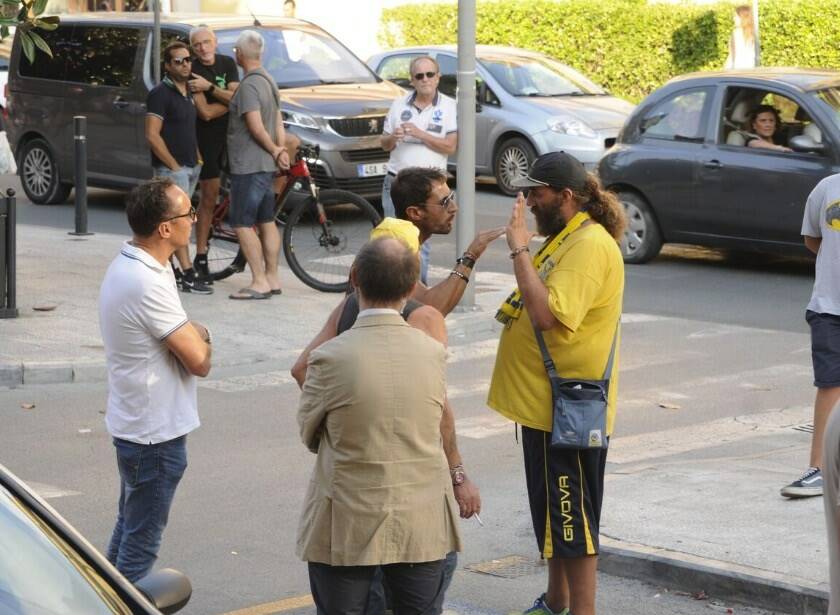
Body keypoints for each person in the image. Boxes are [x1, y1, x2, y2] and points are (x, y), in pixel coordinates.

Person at [487, 152, 626, 615]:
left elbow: (548, 315)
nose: (527, 201)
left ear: (566, 196)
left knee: (573, 520)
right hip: (545, 407)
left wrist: (519, 249)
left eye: (536, 193)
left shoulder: (588, 246)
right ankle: (556, 601)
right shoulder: (566, 237)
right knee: (552, 517)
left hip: (565, 410)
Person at [297, 237, 462, 614]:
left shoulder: (328, 358)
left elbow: (310, 433)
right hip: (420, 516)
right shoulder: (432, 354)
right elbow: (439, 420)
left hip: (347, 517)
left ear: (354, 278)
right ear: (410, 288)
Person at [98, 178, 213, 582]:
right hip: (153, 437)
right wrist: (203, 334)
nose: (194, 220)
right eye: (188, 214)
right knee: (140, 544)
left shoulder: (138, 264)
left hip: (140, 427)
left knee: (128, 530)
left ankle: (102, 601)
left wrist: (188, 332)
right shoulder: (145, 281)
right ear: (166, 228)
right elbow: (198, 360)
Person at [782, 174, 840, 498]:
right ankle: (818, 468)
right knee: (830, 385)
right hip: (829, 306)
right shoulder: (826, 189)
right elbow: (812, 240)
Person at [381, 56, 457, 284]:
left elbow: (450, 146)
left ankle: (417, 293)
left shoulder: (449, 106)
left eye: (430, 74)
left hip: (429, 189)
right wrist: (393, 137)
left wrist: (420, 133)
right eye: (419, 76)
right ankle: (393, 291)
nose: (425, 80)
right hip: (397, 182)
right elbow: (383, 143)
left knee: (420, 241)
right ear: (412, 80)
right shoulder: (398, 104)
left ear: (438, 77)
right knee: (393, 240)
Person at [226, 30, 290, 300]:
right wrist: (280, 149)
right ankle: (273, 278)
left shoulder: (250, 85)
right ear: (260, 54)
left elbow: (255, 126)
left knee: (242, 223)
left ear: (239, 54)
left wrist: (275, 148)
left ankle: (259, 281)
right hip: (265, 165)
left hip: (249, 165)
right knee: (266, 221)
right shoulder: (269, 80)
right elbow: (277, 121)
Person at [146, 41, 212, 294]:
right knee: (179, 223)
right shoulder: (160, 94)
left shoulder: (187, 92)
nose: (185, 65)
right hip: (172, 170)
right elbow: (152, 135)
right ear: (167, 65)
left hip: (190, 166)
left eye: (187, 60)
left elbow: (187, 129)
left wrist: (198, 159)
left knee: (176, 222)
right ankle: (187, 273)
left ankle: (173, 271)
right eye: (178, 61)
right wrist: (173, 166)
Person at [187, 26, 240, 281]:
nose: (203, 48)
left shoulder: (227, 63)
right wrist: (228, 101)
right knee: (209, 198)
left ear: (215, 42)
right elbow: (205, 113)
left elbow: (237, 98)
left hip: (233, 138)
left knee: (243, 195)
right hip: (207, 140)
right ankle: (201, 254)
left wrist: (209, 87)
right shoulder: (192, 70)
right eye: (197, 45)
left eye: (206, 42)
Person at [724, 5, 756, 70]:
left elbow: (732, 55)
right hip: (750, 69)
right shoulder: (754, 33)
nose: (734, 18)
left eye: (736, 16)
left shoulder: (736, 33)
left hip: (736, 69)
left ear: (742, 17)